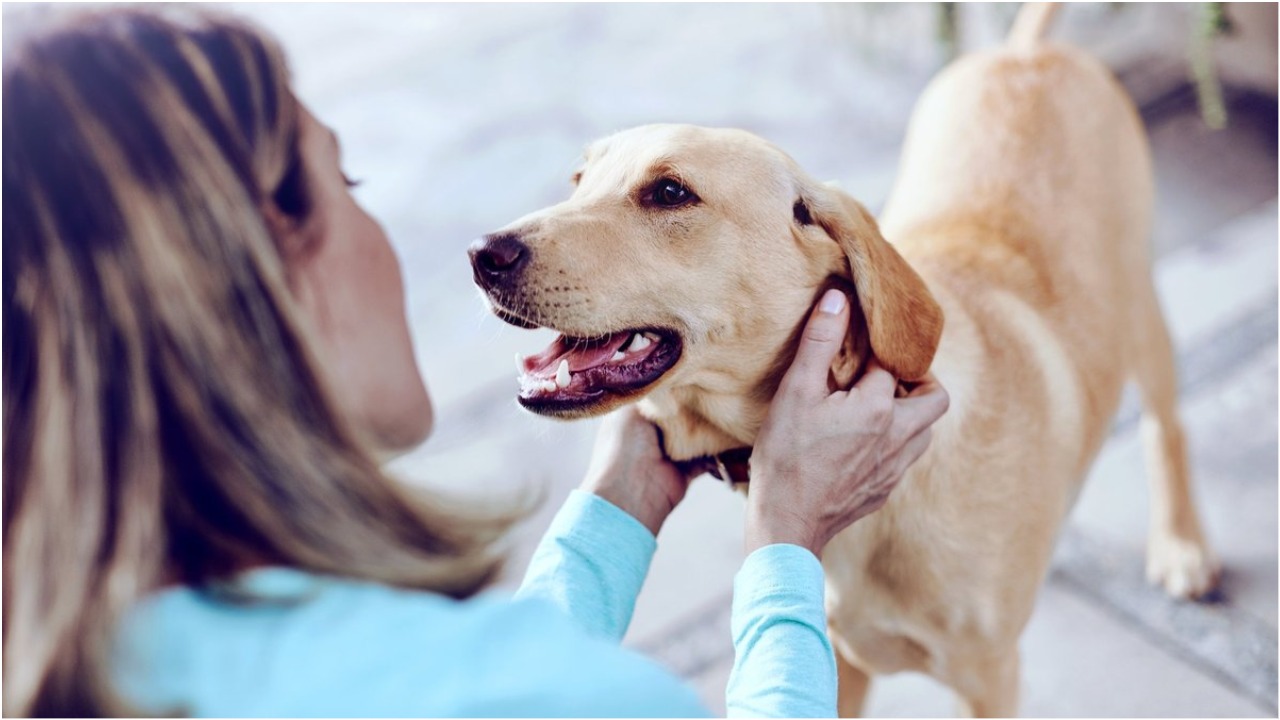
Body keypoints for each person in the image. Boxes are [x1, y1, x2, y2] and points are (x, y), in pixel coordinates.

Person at [1, 7, 949, 718]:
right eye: (346, 181)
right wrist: (785, 548)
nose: (492, 246)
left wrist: (618, 515)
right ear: (256, 270)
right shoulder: (533, 693)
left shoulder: (78, 649)